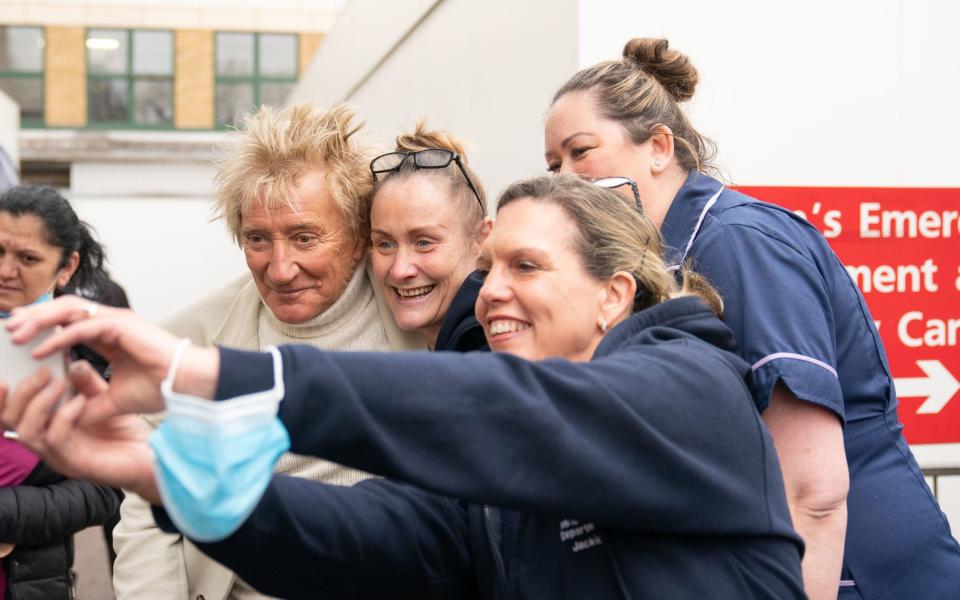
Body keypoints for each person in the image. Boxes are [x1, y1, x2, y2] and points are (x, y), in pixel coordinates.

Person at [2, 175, 806, 599]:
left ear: (614, 295)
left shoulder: (691, 382)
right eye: (487, 268)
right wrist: (158, 470)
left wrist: (208, 373)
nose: (488, 291)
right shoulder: (498, 481)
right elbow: (365, 536)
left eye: (526, 266)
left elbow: (516, 417)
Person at [543, 37, 960, 600]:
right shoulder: (660, 262)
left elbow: (812, 489)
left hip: (855, 570)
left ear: (660, 147)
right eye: (552, 164)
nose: (565, 179)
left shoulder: (736, 242)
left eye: (581, 151)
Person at [110, 103, 420, 600]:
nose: (280, 268)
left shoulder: (421, 324)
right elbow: (147, 514)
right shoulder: (189, 342)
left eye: (304, 238)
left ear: (360, 236)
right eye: (258, 239)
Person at [0, 185, 121, 600]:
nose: (4, 270)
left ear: (66, 266)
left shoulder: (88, 350)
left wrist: (8, 515)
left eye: (27, 259)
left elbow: (107, 489)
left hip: (29, 583)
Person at [369, 122, 488, 352]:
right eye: (385, 244)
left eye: (424, 242)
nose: (400, 270)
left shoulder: (493, 349)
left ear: (482, 239)